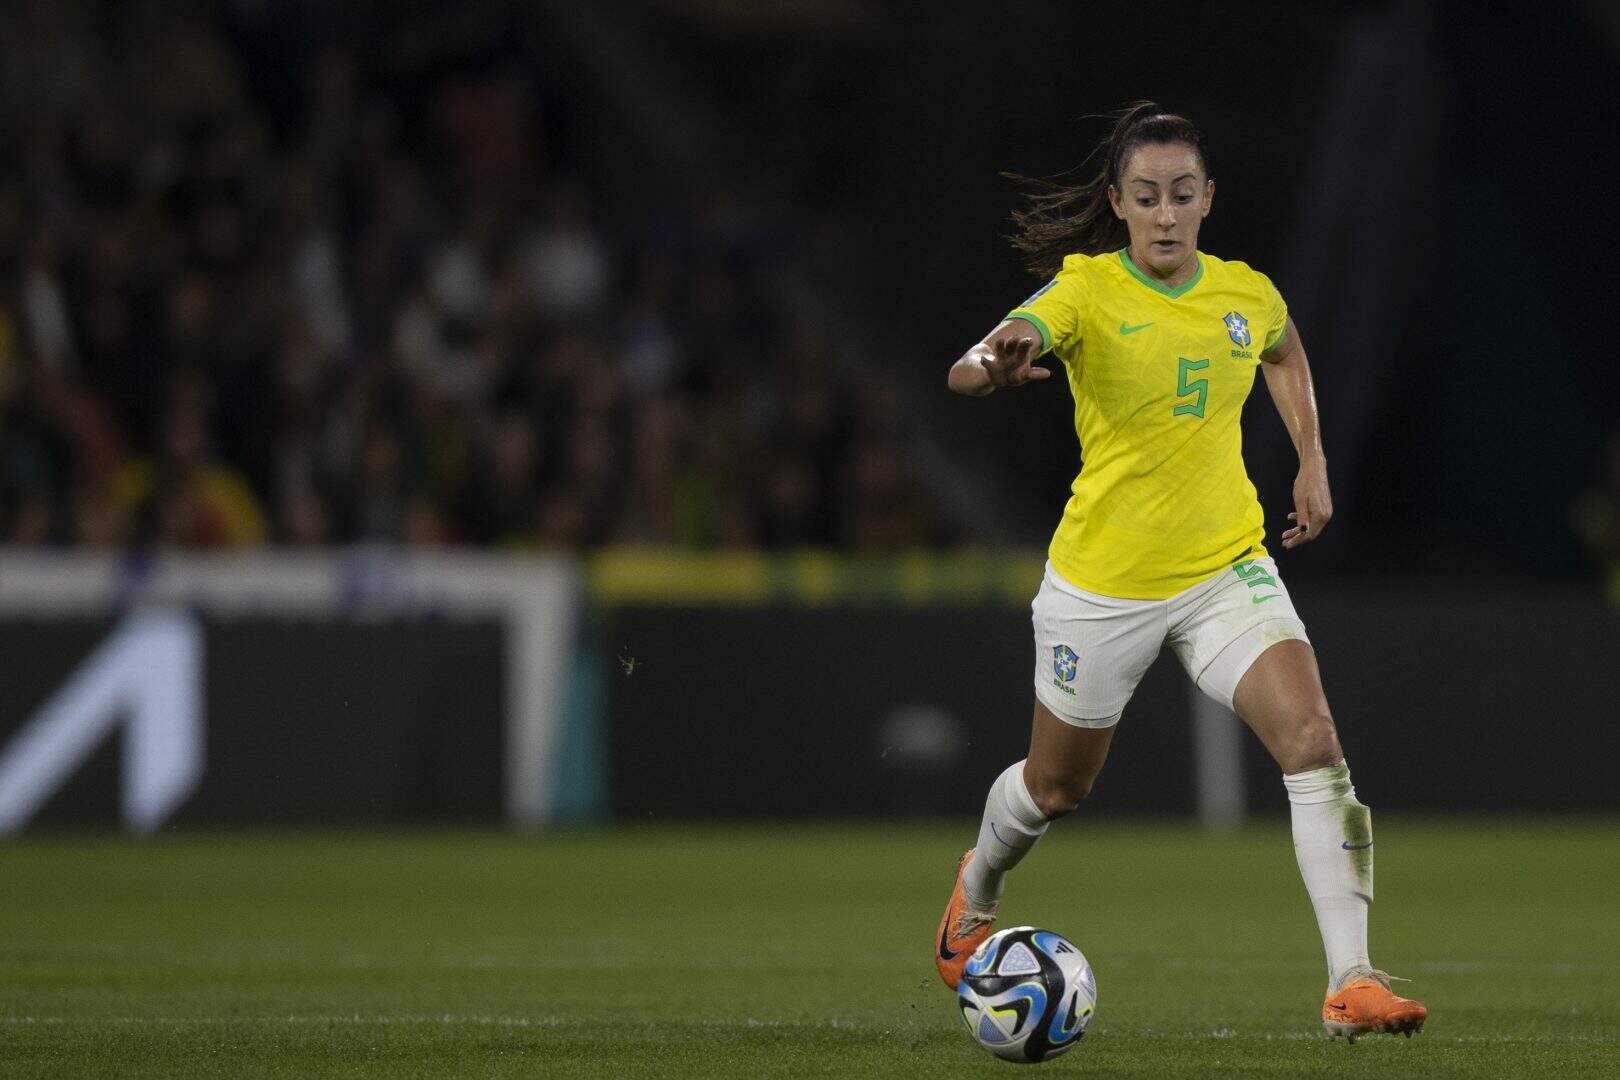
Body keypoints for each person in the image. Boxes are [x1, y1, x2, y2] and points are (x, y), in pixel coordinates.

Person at [935, 102, 1427, 1042]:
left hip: (1224, 570)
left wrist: (1311, 457)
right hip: (1102, 585)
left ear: (1209, 200)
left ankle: (1351, 981)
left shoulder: (1244, 292)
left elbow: (1283, 348)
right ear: (1118, 203)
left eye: (1183, 195)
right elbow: (981, 357)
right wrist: (992, 365)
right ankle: (978, 884)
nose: (1167, 214)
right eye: (1148, 196)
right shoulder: (1082, 291)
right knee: (1054, 789)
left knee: (1314, 738)